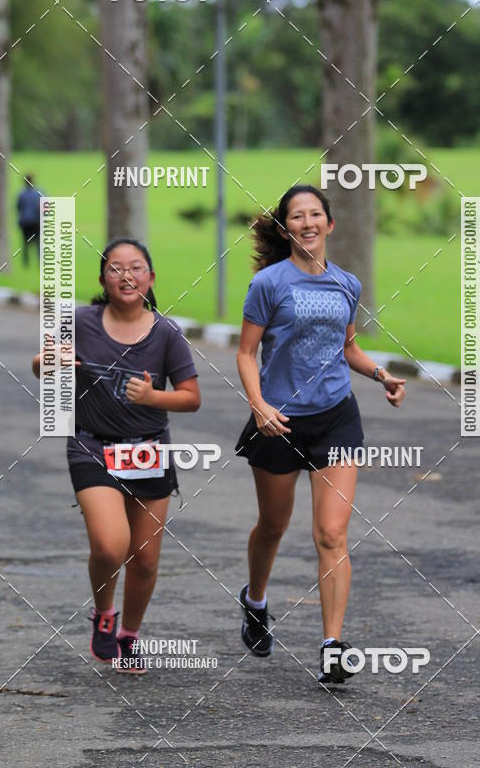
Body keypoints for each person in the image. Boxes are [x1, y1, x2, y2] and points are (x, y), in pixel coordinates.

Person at [235, 185, 406, 684]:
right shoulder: (269, 283)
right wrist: (260, 404)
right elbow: (246, 354)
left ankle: (332, 646)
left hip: (335, 417)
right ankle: (255, 599)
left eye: (316, 214)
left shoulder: (347, 284)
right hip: (278, 419)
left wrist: (380, 375)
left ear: (330, 224)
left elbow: (347, 349)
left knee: (331, 533)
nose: (307, 222)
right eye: (297, 215)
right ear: (287, 227)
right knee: (272, 525)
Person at [31, 238, 200, 673]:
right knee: (111, 543)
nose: (127, 275)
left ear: (151, 277)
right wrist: (53, 359)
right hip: (92, 445)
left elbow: (191, 398)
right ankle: (104, 613)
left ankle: (129, 636)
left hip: (148, 453)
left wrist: (151, 396)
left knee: (144, 559)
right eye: (116, 268)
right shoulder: (79, 321)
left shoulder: (166, 333)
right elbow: (39, 364)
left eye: (137, 267)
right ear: (103, 280)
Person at [17, 175, 45, 266]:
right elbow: (45, 206)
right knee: (38, 243)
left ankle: (26, 263)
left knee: (25, 243)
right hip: (37, 222)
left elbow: (19, 208)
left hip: (25, 222)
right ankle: (40, 262)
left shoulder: (21, 194)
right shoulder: (39, 192)